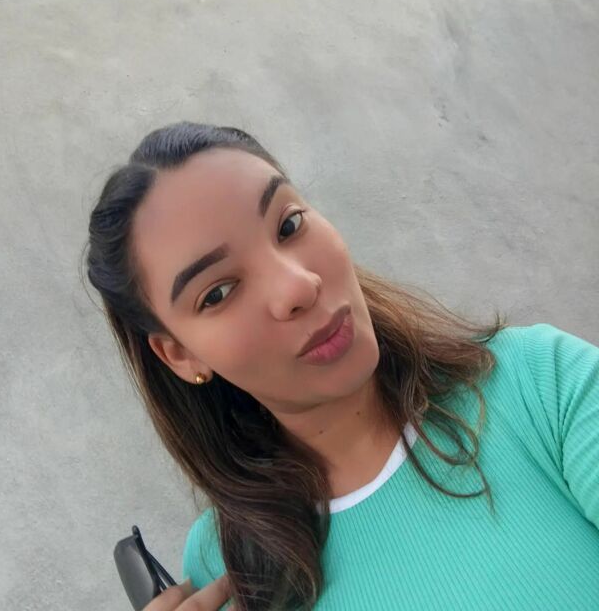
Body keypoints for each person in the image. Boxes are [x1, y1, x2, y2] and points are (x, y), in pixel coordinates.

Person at [84, 121, 599, 611]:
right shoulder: (226, 565)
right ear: (181, 354)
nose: (298, 286)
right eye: (218, 292)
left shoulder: (541, 383)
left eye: (288, 225)